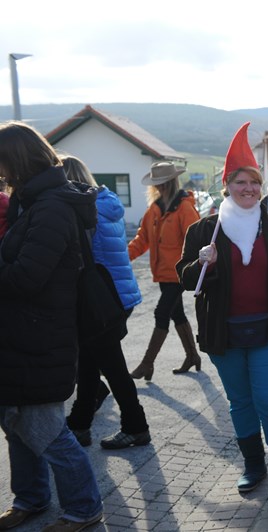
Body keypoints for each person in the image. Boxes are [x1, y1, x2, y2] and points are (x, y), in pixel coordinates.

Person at [177, 123, 268, 502]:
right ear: (227, 187)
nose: (249, 189)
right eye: (241, 183)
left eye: (254, 183)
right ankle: (253, 464)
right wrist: (205, 262)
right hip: (224, 334)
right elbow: (188, 280)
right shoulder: (203, 230)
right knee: (241, 402)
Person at [0, 121, 103, 532]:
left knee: (45, 429)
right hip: (20, 334)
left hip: (40, 336)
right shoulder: (32, 201)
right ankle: (31, 498)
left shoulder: (53, 207)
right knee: (15, 424)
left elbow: (27, 277)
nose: (1, 175)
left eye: (3, 165)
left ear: (19, 161)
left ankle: (83, 508)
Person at [61, 155, 151, 450]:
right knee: (90, 362)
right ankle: (79, 424)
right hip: (115, 295)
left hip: (99, 298)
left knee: (111, 366)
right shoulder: (106, 202)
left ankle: (135, 427)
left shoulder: (83, 209)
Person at [127, 161, 201, 380]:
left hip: (178, 273)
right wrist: (122, 258)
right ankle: (192, 356)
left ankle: (147, 364)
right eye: (156, 183)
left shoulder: (185, 208)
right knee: (176, 313)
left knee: (161, 313)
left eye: (162, 183)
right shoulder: (155, 209)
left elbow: (196, 239)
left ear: (170, 182)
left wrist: (194, 269)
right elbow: (142, 240)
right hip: (163, 274)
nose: (158, 187)